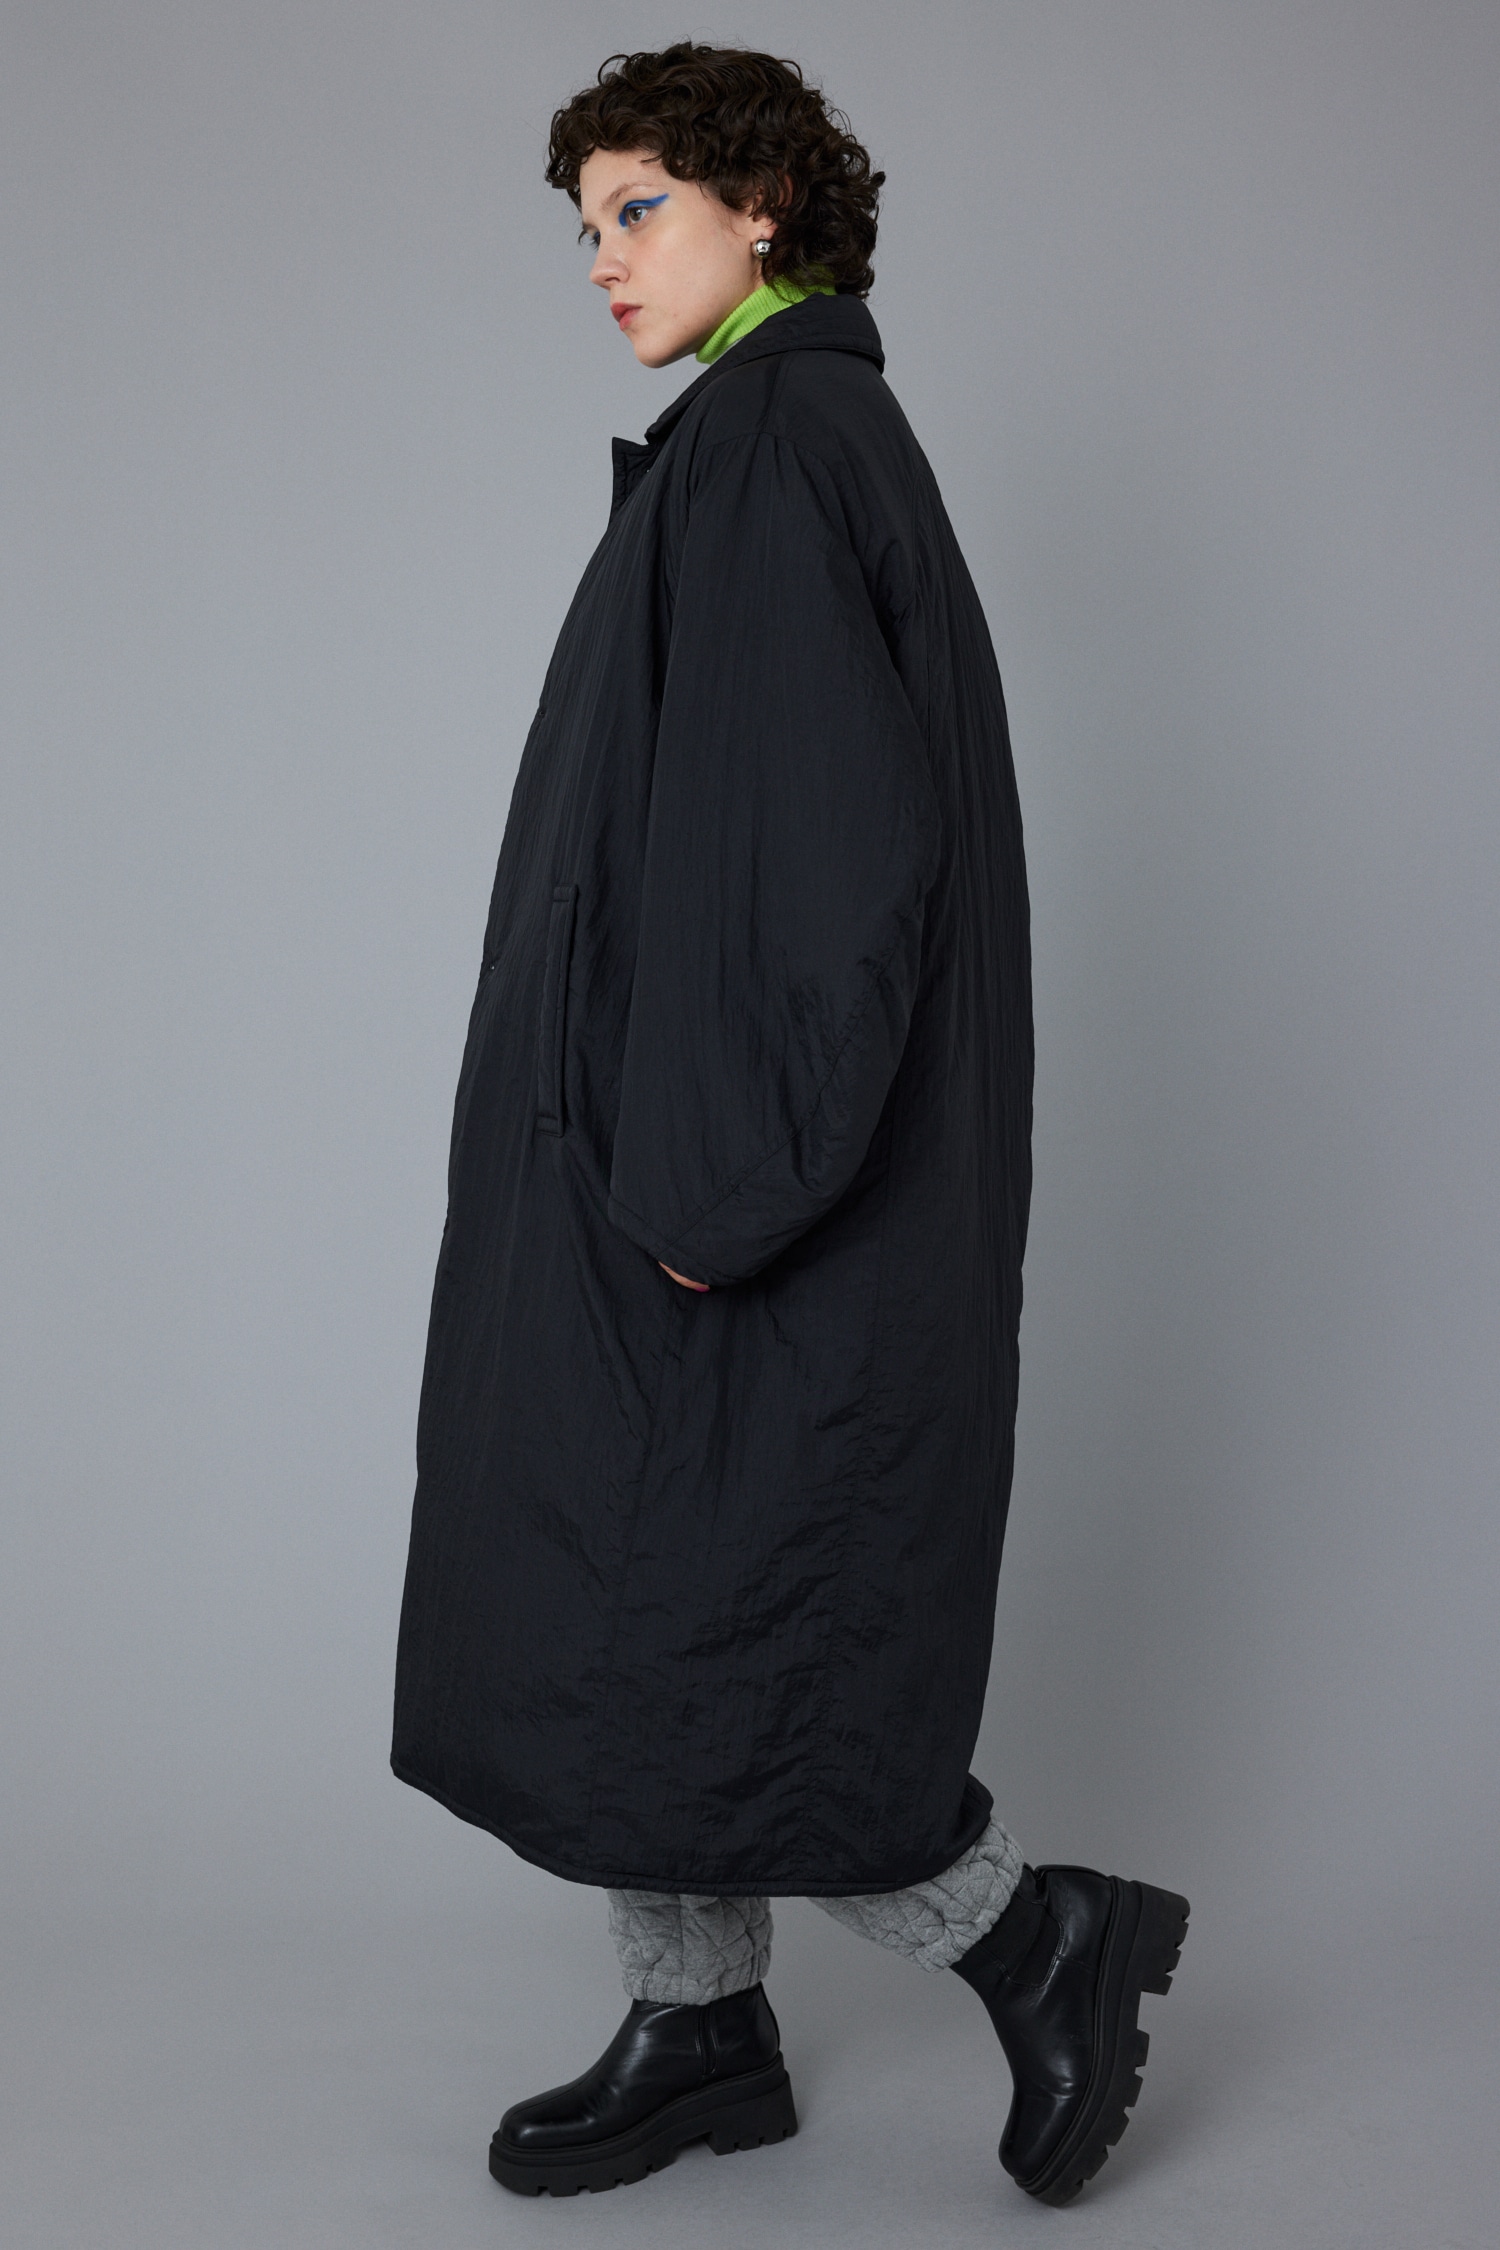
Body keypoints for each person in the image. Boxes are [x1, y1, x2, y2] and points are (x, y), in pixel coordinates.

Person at [392, 41, 1188, 2208]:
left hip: (730, 1191)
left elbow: (818, 877)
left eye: (640, 208)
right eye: (587, 226)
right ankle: (701, 2024)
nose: (602, 259)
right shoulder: (767, 439)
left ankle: (1036, 1937)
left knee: (720, 1629)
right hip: (684, 1167)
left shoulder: (772, 452)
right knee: (639, 1625)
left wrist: (716, 1194)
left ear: (766, 209)